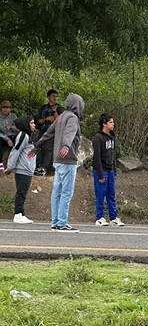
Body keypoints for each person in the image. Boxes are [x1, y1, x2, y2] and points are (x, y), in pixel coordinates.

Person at [32, 93, 85, 232]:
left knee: (56, 192)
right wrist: (66, 146)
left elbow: (49, 132)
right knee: (66, 192)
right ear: (78, 105)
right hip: (68, 159)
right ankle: (62, 222)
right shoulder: (73, 118)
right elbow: (69, 133)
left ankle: (55, 222)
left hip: (57, 159)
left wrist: (37, 145)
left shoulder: (61, 116)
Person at [92, 113, 124, 227]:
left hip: (110, 170)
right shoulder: (98, 138)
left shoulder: (112, 136)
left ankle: (113, 217)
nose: (113, 124)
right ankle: (99, 217)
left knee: (111, 194)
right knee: (100, 194)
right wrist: (100, 174)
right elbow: (96, 157)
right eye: (110, 122)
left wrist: (114, 168)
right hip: (101, 170)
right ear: (104, 124)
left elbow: (113, 153)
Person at [5, 116, 36, 223]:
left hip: (27, 169)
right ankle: (18, 213)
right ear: (25, 124)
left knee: (23, 191)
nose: (34, 125)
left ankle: (21, 213)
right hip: (22, 169)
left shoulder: (29, 136)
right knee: (21, 192)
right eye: (31, 123)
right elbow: (16, 150)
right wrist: (10, 167)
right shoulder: (23, 136)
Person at [34, 89, 62, 176]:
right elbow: (38, 121)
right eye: (53, 96)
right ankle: (37, 166)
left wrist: (54, 111)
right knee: (38, 146)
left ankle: (44, 168)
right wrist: (47, 119)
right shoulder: (43, 108)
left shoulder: (59, 107)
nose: (55, 98)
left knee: (48, 149)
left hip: (53, 132)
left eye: (56, 96)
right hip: (42, 130)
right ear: (49, 97)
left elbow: (60, 120)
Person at [0, 100, 18, 169]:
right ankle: (1, 164)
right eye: (3, 108)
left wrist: (11, 127)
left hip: (13, 136)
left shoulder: (13, 116)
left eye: (7, 108)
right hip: (3, 137)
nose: (5, 109)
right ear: (1, 108)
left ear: (10, 109)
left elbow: (18, 129)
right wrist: (7, 139)